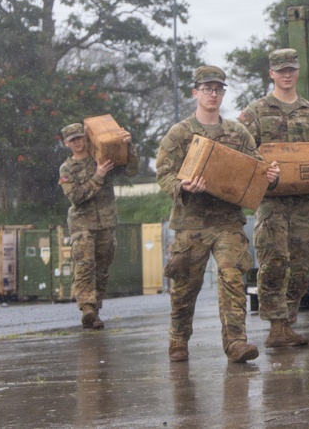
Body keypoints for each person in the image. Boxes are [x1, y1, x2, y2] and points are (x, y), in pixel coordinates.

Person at [156, 65, 280, 363]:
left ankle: (236, 342)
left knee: (232, 278)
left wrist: (271, 175)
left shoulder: (237, 133)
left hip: (227, 221)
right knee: (185, 286)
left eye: (219, 89)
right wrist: (183, 186)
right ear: (195, 92)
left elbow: (257, 168)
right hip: (190, 223)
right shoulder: (180, 133)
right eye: (208, 88)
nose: (214, 94)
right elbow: (163, 172)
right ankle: (178, 338)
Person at [238, 48, 309, 348]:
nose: (287, 74)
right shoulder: (255, 112)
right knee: (273, 260)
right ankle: (277, 325)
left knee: (301, 263)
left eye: (291, 69)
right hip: (271, 202)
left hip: (305, 201)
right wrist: (261, 172)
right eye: (281, 69)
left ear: (298, 72)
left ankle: (289, 319)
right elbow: (240, 151)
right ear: (271, 73)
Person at [58, 121, 139, 330]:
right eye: (72, 140)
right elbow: (76, 197)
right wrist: (98, 175)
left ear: (86, 137)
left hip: (106, 222)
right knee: (85, 265)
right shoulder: (67, 168)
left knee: (102, 268)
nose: (77, 143)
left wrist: (129, 146)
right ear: (66, 143)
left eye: (79, 138)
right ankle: (87, 308)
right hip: (81, 224)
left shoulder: (101, 157)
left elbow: (131, 169)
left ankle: (96, 310)